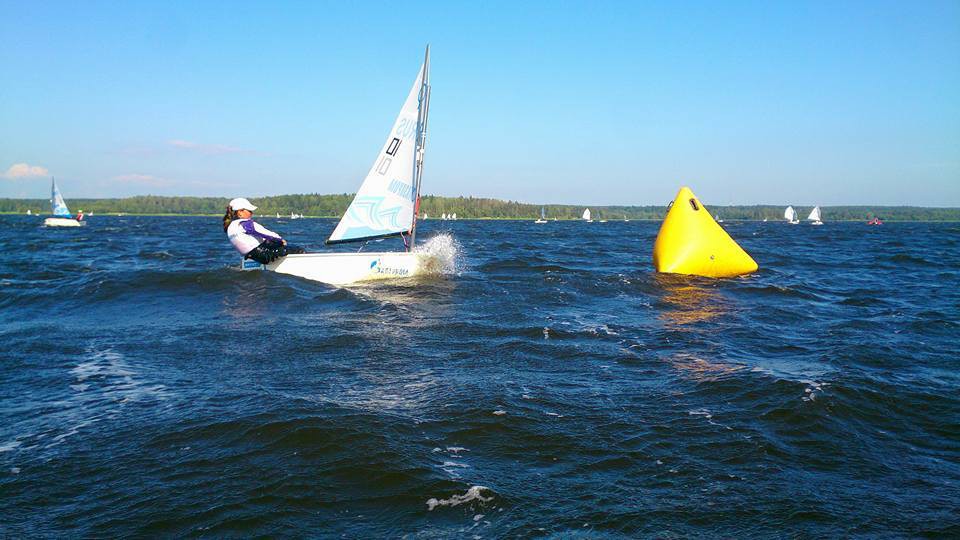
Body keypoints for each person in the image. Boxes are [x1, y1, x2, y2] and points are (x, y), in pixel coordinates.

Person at [224, 198, 304, 264]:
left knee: (272, 243)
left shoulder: (230, 226)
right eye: (249, 211)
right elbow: (265, 233)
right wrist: (280, 240)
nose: (251, 213)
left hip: (251, 256)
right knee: (296, 249)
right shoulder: (246, 223)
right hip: (263, 255)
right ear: (240, 211)